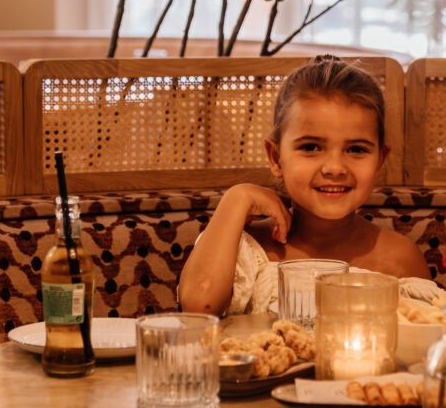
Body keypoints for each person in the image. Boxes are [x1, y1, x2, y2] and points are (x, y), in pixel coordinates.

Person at [179, 55, 437, 317]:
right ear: (276, 158)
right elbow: (198, 306)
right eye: (311, 147)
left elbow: (424, 333)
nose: (334, 168)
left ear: (380, 160)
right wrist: (237, 197)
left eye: (356, 149)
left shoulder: (399, 259)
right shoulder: (244, 249)